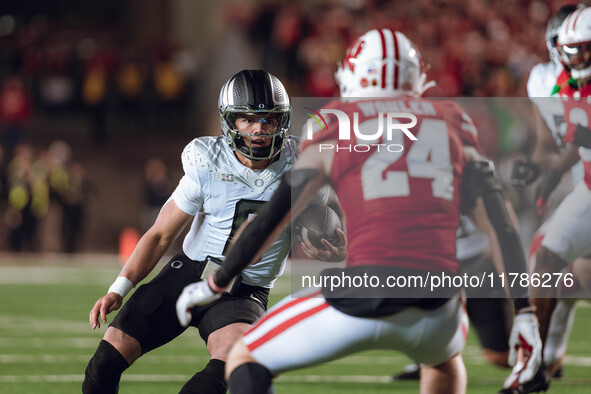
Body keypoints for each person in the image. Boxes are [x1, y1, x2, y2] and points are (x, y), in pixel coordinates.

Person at [176, 29, 543, 394]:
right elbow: (500, 223)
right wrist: (524, 311)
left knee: (244, 357)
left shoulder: (339, 121)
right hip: (438, 303)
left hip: (364, 294)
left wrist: (217, 281)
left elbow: (273, 217)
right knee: (445, 362)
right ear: (416, 78)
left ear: (352, 75)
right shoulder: (451, 121)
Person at [83, 69, 298, 394]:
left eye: (269, 119)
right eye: (248, 119)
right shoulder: (209, 161)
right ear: (230, 122)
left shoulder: (306, 165)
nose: (260, 129)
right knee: (105, 361)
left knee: (227, 367)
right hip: (188, 276)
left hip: (244, 291)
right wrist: (119, 287)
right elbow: (160, 234)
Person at [508, 4, 587, 387]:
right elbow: (550, 142)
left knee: (571, 272)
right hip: (581, 178)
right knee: (551, 261)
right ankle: (544, 360)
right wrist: (539, 168)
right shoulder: (543, 80)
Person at [529, 6, 591, 393]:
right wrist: (550, 173)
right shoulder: (565, 84)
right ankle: (536, 362)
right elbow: (581, 138)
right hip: (587, 185)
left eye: (584, 50)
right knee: (547, 258)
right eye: (573, 50)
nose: (577, 59)